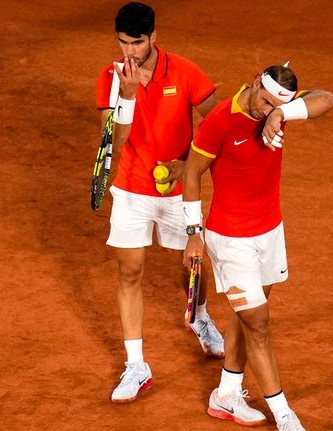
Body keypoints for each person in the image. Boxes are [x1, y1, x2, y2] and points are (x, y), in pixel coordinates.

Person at [182, 64, 333, 430]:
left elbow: (327, 98)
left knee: (243, 315)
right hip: (231, 238)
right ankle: (285, 415)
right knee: (259, 324)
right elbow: (191, 172)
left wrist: (281, 113)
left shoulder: (277, 112)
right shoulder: (220, 120)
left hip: (270, 232)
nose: (264, 112)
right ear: (254, 84)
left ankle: (226, 394)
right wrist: (192, 231)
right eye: (264, 102)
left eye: (273, 108)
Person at [94, 2, 225, 404]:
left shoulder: (184, 71)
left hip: (177, 190)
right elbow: (112, 145)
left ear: (154, 38)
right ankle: (137, 364)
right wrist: (128, 97)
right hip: (132, 189)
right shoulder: (111, 77)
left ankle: (199, 317)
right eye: (122, 42)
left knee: (195, 265)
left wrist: (189, 163)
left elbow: (218, 123)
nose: (129, 52)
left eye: (136, 43)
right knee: (130, 273)